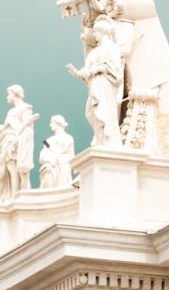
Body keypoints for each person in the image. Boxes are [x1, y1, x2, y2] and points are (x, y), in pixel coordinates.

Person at [67, 15, 123, 147]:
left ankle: (109, 141)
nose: (94, 35)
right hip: (95, 85)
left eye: (96, 32)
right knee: (91, 113)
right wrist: (78, 73)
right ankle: (100, 140)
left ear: (103, 32)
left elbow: (115, 70)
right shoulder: (94, 52)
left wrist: (98, 68)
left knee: (104, 111)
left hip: (105, 85)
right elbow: (87, 70)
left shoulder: (112, 49)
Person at [0, 85, 39, 203]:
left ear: (14, 94)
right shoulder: (11, 112)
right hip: (7, 141)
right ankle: (13, 196)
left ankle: (17, 197)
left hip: (16, 141)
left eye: (8, 94)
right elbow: (5, 128)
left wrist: (18, 139)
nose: (7, 97)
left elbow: (28, 127)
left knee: (18, 170)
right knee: (9, 168)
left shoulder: (25, 108)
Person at [39, 115, 76, 188]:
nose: (50, 125)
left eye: (52, 123)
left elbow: (70, 155)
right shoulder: (47, 140)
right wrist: (49, 159)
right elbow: (43, 153)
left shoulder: (68, 138)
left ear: (58, 123)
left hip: (63, 167)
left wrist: (55, 157)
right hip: (50, 166)